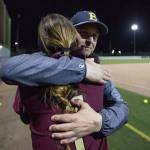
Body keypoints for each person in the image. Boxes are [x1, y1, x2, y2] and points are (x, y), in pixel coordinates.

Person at [0, 11, 128, 150]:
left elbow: (122, 107)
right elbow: (6, 69)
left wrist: (100, 121)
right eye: (84, 33)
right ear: (69, 32)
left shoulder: (98, 71)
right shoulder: (37, 68)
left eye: (95, 36)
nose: (90, 40)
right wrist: (82, 69)